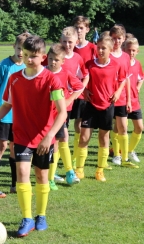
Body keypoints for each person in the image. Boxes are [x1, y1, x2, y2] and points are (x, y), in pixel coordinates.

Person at [0, 36, 67, 237]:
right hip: (21, 136)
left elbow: (62, 112)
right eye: (26, 55)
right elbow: (7, 105)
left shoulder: (52, 80)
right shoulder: (15, 79)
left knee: (41, 176)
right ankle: (27, 218)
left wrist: (49, 136)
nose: (28, 59)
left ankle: (41, 215)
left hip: (44, 138)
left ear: (43, 57)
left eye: (34, 56)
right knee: (22, 175)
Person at [0, 33, 29, 197]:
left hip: (19, 116)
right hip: (4, 115)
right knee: (1, 146)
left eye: (24, 50)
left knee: (14, 148)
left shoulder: (28, 67)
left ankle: (14, 184)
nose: (21, 53)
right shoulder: (4, 65)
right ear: (13, 47)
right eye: (18, 48)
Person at [75, 35, 127, 181]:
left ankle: (100, 170)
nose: (100, 50)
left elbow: (123, 79)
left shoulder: (116, 65)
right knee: (84, 137)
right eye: (98, 47)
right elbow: (81, 79)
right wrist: (84, 91)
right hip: (91, 105)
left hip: (107, 106)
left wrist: (117, 92)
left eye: (104, 48)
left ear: (110, 49)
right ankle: (79, 169)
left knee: (103, 138)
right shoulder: (90, 64)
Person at [46, 43, 84, 190]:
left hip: (61, 113)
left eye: (56, 59)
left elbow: (79, 87)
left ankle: (66, 173)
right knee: (55, 143)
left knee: (61, 140)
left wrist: (69, 100)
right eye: (50, 59)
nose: (53, 62)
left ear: (62, 61)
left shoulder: (66, 73)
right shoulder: (43, 72)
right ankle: (53, 176)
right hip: (46, 114)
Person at [59, 26, 89, 181]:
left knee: (64, 134)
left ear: (76, 42)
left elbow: (85, 75)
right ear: (60, 41)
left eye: (70, 42)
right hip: (56, 103)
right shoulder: (55, 56)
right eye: (64, 41)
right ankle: (67, 170)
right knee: (62, 135)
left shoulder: (78, 58)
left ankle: (57, 168)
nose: (67, 45)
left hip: (71, 102)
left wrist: (79, 91)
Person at [109, 24, 138, 168]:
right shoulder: (106, 54)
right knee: (108, 129)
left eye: (119, 38)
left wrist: (128, 100)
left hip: (120, 99)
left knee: (123, 128)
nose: (116, 41)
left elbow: (126, 78)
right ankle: (115, 154)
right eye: (113, 38)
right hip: (107, 98)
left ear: (124, 39)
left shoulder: (126, 56)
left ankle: (124, 157)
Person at [71, 16, 98, 171]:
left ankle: (76, 158)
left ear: (87, 29)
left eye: (81, 28)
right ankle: (73, 156)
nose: (79, 31)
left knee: (83, 125)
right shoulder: (69, 47)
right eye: (76, 27)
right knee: (76, 123)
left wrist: (87, 88)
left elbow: (94, 71)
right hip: (71, 92)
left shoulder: (93, 48)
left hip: (86, 92)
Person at [123, 37, 143, 162]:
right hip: (122, 100)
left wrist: (138, 87)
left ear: (137, 52)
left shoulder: (137, 64)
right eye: (129, 50)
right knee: (121, 128)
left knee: (139, 127)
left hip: (135, 101)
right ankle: (119, 154)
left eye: (133, 50)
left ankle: (130, 150)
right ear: (124, 50)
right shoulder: (122, 63)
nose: (131, 53)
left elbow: (141, 78)